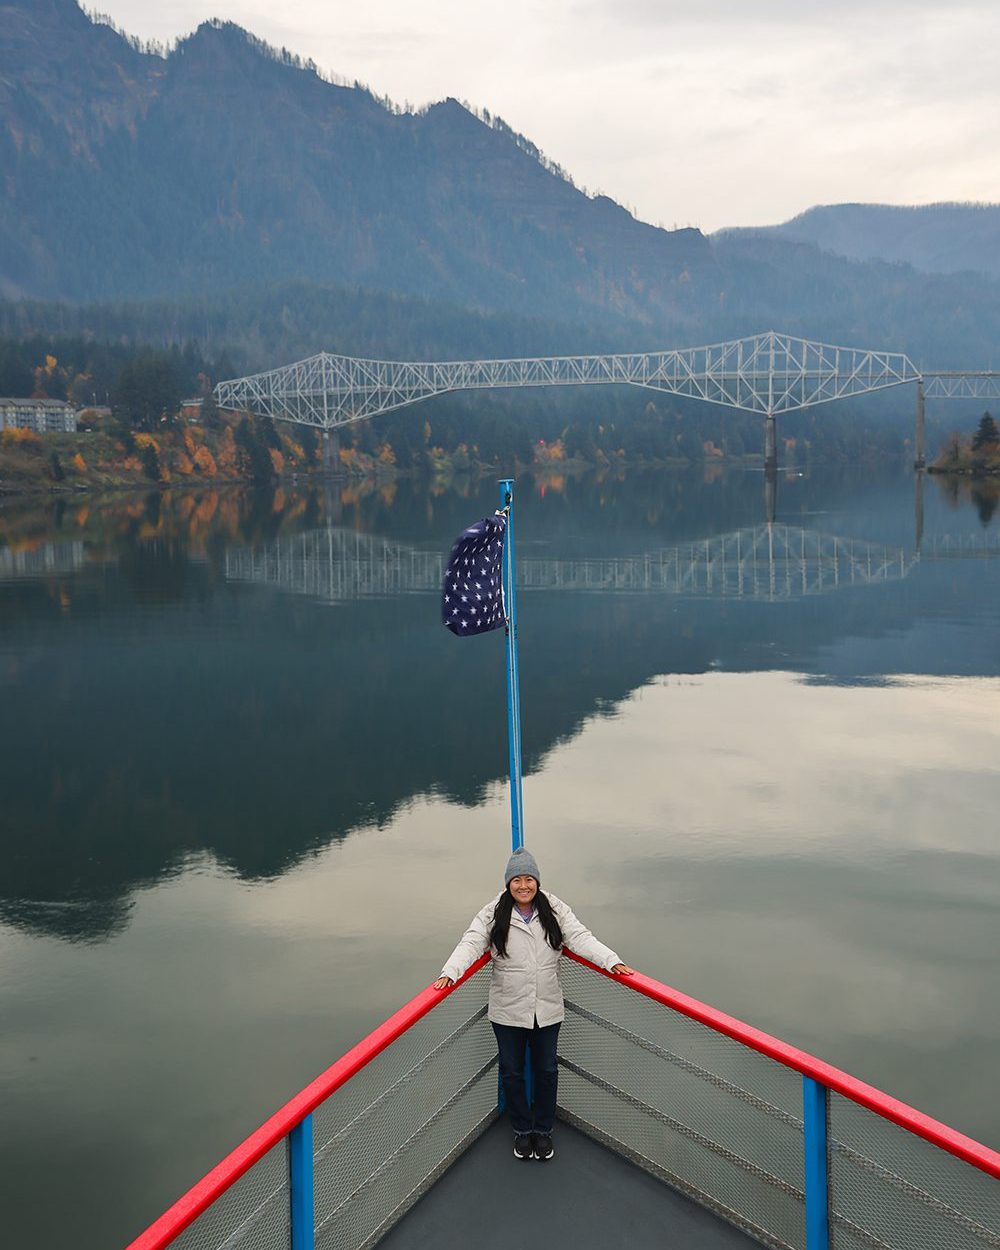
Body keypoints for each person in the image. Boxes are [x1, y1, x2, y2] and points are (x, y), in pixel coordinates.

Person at [433, 847, 633, 1161]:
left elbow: (579, 937)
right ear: (508, 883)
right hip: (507, 1010)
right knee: (512, 1072)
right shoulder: (493, 911)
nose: (523, 886)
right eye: (517, 880)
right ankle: (522, 1131)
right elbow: (471, 942)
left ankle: (543, 1131)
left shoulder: (553, 908)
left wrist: (611, 961)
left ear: (537, 881)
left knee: (547, 1071)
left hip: (547, 1008)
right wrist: (450, 972)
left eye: (529, 879)